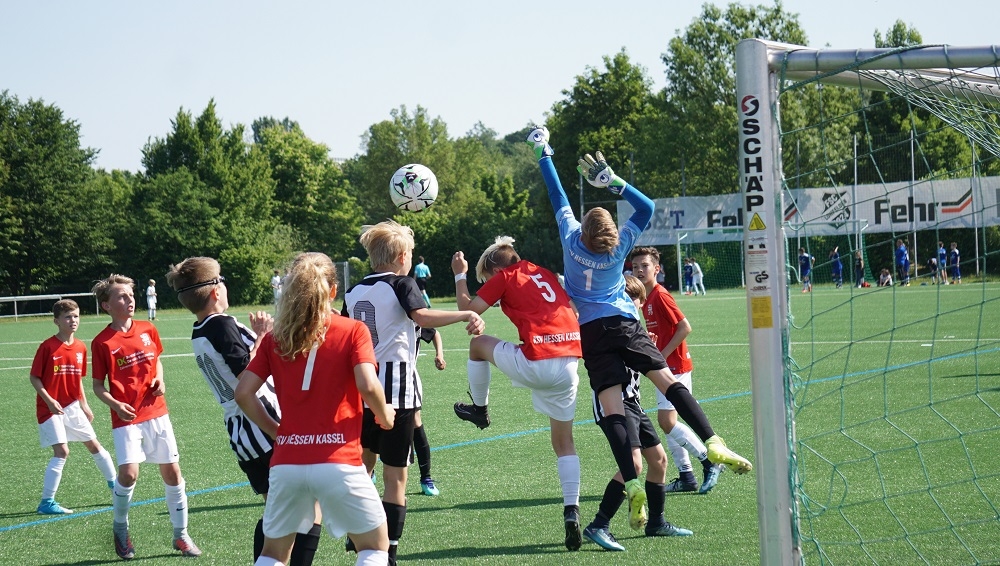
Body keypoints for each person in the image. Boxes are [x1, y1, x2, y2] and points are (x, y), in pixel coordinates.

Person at [527, 126, 751, 537]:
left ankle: (632, 483)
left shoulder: (571, 239)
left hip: (591, 332)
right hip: (624, 324)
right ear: (612, 234)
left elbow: (557, 195)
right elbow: (646, 207)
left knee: (614, 409)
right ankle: (712, 440)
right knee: (667, 382)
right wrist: (613, 181)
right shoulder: (619, 249)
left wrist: (544, 153)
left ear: (584, 229)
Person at [235, 252, 396, 566]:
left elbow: (243, 393)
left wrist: (276, 431)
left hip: (287, 463)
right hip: (339, 460)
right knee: (374, 548)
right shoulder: (353, 330)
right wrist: (384, 413)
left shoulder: (275, 338)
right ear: (333, 291)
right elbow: (367, 384)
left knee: (273, 555)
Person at [342, 220, 484, 564]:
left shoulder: (354, 291)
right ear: (402, 256)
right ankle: (388, 552)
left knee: (363, 467)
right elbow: (421, 316)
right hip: (398, 392)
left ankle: (358, 532)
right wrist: (465, 313)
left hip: (362, 389)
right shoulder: (402, 283)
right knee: (395, 477)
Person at [166, 256, 321, 565]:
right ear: (215, 291)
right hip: (263, 422)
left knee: (277, 511)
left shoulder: (200, 330)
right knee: (308, 507)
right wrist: (262, 334)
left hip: (243, 432)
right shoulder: (220, 325)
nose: (225, 285)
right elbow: (246, 372)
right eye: (221, 280)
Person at [451, 236, 584, 551]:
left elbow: (466, 310)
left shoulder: (506, 276)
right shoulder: (543, 272)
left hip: (537, 361)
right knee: (564, 443)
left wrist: (460, 274)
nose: (490, 286)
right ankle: (572, 510)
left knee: (477, 345)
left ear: (497, 269)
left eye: (488, 279)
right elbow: (573, 312)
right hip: (569, 363)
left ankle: (480, 409)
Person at [90, 274, 200, 560]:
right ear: (106, 305)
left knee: (172, 472)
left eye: (130, 295)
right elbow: (98, 386)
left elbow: (157, 361)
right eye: (122, 296)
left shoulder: (148, 328)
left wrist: (160, 379)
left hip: (156, 411)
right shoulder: (102, 342)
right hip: (126, 417)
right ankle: (120, 527)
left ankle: (181, 535)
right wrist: (115, 404)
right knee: (128, 474)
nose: (129, 300)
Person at [583, 276, 693, 551]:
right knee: (634, 465)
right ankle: (599, 524)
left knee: (659, 460)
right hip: (614, 404)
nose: (628, 302)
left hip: (634, 403)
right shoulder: (611, 326)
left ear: (641, 303)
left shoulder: (635, 331)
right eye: (624, 297)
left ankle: (656, 522)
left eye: (633, 298)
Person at [629, 247, 724, 495]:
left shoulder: (660, 295)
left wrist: (661, 354)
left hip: (674, 366)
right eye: (635, 266)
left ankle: (709, 461)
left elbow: (684, 327)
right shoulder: (645, 297)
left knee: (667, 421)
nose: (639, 270)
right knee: (669, 422)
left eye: (644, 266)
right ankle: (686, 476)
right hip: (663, 366)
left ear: (656, 269)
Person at [30, 299, 117, 515]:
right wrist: (49, 400)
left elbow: (78, 379)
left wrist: (84, 405)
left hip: (72, 406)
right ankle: (47, 502)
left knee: (95, 446)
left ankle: (117, 489)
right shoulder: (47, 347)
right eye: (68, 317)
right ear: (56, 321)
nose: (73, 320)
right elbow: (34, 378)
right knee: (62, 451)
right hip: (50, 408)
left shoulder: (80, 347)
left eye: (76, 316)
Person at [412, 327, 445, 497]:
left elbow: (433, 333)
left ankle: (426, 477)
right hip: (373, 374)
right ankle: (369, 472)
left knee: (415, 421)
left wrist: (439, 354)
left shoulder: (410, 316)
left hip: (406, 377)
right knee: (371, 422)